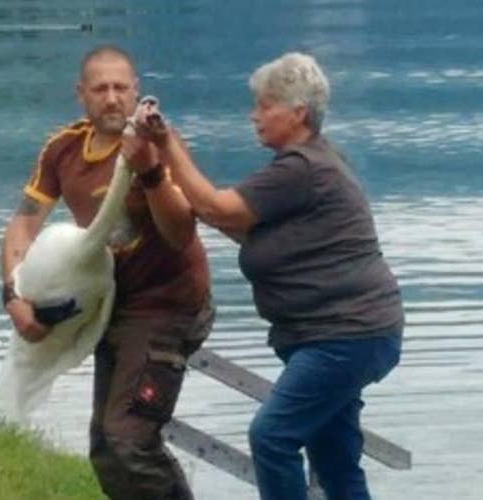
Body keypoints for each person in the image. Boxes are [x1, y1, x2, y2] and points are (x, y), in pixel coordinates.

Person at [122, 52, 404, 500]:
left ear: (298, 112)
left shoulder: (302, 169)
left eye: (265, 104)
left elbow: (217, 207)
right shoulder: (313, 163)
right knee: (334, 457)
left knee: (272, 437)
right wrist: (165, 163)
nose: (255, 115)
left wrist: (169, 146)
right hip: (352, 333)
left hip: (345, 334)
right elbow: (230, 220)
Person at [0, 45, 213, 500]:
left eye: (121, 88)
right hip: (110, 303)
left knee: (128, 441)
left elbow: (180, 233)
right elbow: (23, 222)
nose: (113, 98)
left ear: (137, 91)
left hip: (168, 305)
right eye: (101, 89)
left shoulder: (158, 143)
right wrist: (13, 296)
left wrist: (150, 171)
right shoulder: (63, 149)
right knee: (105, 449)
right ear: (82, 95)